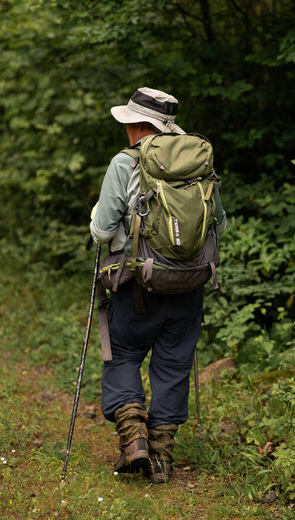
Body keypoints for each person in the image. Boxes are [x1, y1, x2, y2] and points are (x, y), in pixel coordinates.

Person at [90, 87, 226, 483]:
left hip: (137, 284)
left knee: (124, 354)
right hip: (189, 282)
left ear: (137, 126)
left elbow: (101, 232)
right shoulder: (197, 161)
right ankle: (163, 456)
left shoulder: (124, 162)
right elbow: (219, 221)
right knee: (173, 364)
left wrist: (97, 217)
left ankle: (134, 441)